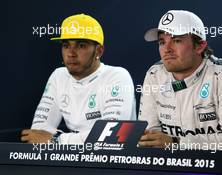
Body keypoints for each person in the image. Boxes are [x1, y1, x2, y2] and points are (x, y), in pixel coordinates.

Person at [138, 10, 222, 151]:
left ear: (199, 46)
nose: (166, 49)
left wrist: (176, 143)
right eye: (162, 42)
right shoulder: (154, 74)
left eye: (176, 40)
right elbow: (149, 138)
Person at [21, 14, 136, 144]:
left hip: (115, 162)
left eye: (81, 45)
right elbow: (38, 132)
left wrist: (56, 140)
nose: (71, 53)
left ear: (99, 51)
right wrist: (62, 141)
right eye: (66, 45)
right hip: (73, 160)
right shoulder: (59, 76)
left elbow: (110, 137)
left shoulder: (117, 76)